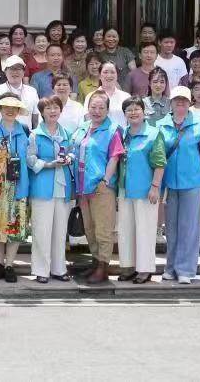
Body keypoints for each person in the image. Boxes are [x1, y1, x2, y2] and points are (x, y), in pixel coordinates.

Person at [158, 86, 200, 285]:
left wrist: (199, 172)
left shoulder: (198, 124)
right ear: (171, 103)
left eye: (184, 100)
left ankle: (186, 269)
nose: (180, 104)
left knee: (189, 227)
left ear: (189, 103)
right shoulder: (162, 125)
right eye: (177, 100)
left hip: (192, 183)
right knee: (171, 227)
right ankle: (170, 267)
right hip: (169, 182)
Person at [72, 92, 123, 284]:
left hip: (101, 186)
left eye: (101, 107)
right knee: (89, 228)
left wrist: (105, 179)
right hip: (83, 187)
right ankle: (95, 262)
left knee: (103, 229)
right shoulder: (83, 127)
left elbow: (115, 157)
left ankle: (103, 266)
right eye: (93, 107)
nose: (97, 111)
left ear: (108, 110)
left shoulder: (113, 129)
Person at [117, 98, 166, 284]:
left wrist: (155, 186)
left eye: (137, 109)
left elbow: (160, 162)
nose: (133, 112)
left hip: (146, 190)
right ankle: (128, 267)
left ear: (144, 111)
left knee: (144, 231)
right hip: (124, 190)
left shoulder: (153, 134)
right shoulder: (123, 135)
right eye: (129, 110)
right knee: (125, 231)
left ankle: (144, 270)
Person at [27, 95, 75, 283]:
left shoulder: (67, 133)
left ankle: (59, 268)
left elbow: (72, 151)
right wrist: (47, 164)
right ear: (42, 112)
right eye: (48, 108)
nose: (53, 111)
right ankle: (41, 270)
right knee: (41, 230)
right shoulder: (35, 134)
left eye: (56, 107)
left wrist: (69, 158)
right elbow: (30, 159)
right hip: (42, 187)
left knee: (60, 230)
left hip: (62, 187)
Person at [0, 96, 31, 282]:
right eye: (6, 107)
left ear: (19, 111)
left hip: (19, 185)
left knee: (15, 227)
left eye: (14, 107)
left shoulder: (26, 131)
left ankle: (10, 264)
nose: (10, 110)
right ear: (0, 109)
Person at [0, 55, 40, 129]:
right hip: (1, 138)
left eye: (18, 69)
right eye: (11, 69)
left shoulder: (32, 91)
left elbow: (36, 119)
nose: (15, 72)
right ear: (5, 71)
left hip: (26, 137)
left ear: (23, 72)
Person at [93, 61, 131, 130]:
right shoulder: (91, 96)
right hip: (98, 138)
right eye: (105, 72)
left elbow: (130, 121)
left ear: (117, 75)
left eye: (112, 72)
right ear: (99, 75)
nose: (109, 75)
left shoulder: (126, 97)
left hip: (121, 138)